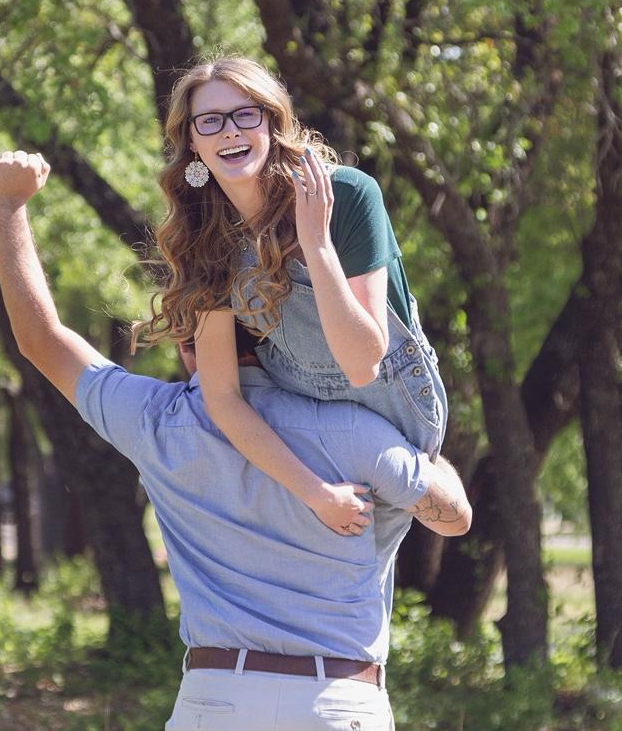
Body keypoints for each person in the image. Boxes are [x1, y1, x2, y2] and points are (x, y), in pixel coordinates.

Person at [0, 148, 472, 731]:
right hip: (338, 706)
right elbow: (454, 515)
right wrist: (421, 470)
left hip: (218, 701)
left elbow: (41, 339)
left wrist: (7, 209)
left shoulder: (161, 424)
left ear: (191, 335)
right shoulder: (353, 434)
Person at [133, 56, 448, 540]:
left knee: (450, 522)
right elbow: (222, 397)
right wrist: (315, 493)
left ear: (272, 121)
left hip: (394, 403)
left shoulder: (348, 194)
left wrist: (317, 245)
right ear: (192, 142)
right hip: (305, 408)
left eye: (246, 114)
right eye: (210, 121)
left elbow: (362, 364)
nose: (230, 130)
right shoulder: (205, 240)